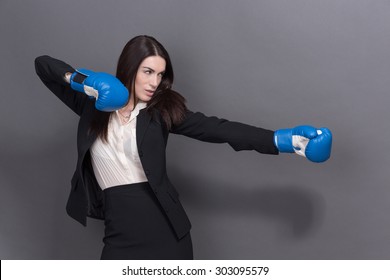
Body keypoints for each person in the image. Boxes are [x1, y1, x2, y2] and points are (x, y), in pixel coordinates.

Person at [34, 35, 332, 260]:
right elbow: (42, 65)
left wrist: (285, 141)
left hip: (166, 232)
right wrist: (80, 80)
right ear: (129, 68)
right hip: (118, 232)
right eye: (148, 71)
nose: (155, 82)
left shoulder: (160, 112)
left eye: (160, 75)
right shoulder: (92, 105)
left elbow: (219, 128)